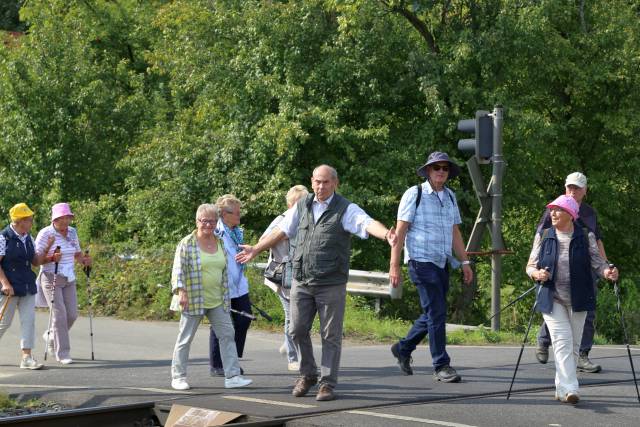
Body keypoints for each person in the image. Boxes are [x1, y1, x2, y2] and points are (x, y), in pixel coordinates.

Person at [236, 165, 396, 401]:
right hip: (301, 279)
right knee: (296, 329)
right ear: (311, 182)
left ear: (335, 183)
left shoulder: (345, 208)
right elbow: (281, 231)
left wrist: (385, 235)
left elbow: (365, 222)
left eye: (326, 182)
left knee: (330, 334)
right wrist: (256, 249)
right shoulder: (302, 205)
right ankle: (308, 373)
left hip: (331, 282)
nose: (321, 186)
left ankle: (327, 384)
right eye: (317, 182)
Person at [389, 151, 474, 383]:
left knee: (433, 312)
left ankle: (403, 348)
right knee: (436, 312)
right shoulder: (414, 194)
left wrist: (465, 262)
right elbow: (400, 231)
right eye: (436, 168)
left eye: (445, 168)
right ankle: (441, 365)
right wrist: (394, 265)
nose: (441, 172)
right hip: (420, 261)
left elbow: (454, 231)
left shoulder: (450, 197)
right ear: (428, 170)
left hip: (441, 262)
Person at [526, 195, 617, 404]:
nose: (553, 213)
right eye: (552, 210)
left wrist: (608, 271)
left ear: (570, 214)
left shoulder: (586, 236)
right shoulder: (545, 235)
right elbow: (530, 265)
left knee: (574, 345)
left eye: (558, 210)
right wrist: (536, 274)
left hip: (579, 298)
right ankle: (571, 389)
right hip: (552, 298)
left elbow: (598, 263)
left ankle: (561, 388)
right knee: (562, 341)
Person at [170, 203, 252, 390]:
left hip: (218, 299)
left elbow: (224, 271)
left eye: (213, 221)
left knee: (227, 336)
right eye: (204, 221)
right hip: (194, 299)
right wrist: (181, 291)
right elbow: (178, 271)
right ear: (197, 221)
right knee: (185, 338)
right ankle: (178, 377)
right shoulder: (187, 243)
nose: (208, 225)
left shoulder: (220, 242)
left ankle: (232, 376)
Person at [534, 172, 606, 373]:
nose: (572, 191)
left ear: (585, 190)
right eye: (570, 187)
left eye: (577, 188)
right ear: (565, 187)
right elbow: (541, 235)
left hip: (585, 267)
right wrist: (537, 269)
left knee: (587, 310)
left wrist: (605, 265)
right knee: (556, 305)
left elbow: (597, 240)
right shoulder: (555, 208)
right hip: (557, 268)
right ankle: (543, 340)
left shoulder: (590, 213)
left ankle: (583, 355)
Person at [0, 203, 58, 369]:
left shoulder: (28, 238)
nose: (31, 222)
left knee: (28, 322)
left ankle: (27, 357)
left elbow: (35, 261)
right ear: (19, 221)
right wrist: (5, 283)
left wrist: (49, 252)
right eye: (29, 220)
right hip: (9, 288)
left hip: (27, 285)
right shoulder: (4, 237)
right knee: (4, 323)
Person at [35, 203, 92, 365]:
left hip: (68, 277)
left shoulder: (72, 232)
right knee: (59, 315)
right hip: (51, 276)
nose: (66, 222)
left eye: (68, 218)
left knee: (72, 314)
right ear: (55, 219)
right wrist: (52, 258)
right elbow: (37, 260)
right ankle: (63, 352)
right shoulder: (45, 233)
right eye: (62, 218)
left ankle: (52, 336)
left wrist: (85, 261)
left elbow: (77, 254)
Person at [261, 185, 309, 372]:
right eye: (298, 203)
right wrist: (282, 238)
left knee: (302, 317)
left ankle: (287, 343)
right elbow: (264, 240)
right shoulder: (281, 220)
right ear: (290, 204)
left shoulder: (308, 219)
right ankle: (292, 356)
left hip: (302, 275)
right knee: (292, 317)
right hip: (283, 277)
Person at [209, 195, 253, 377]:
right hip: (223, 285)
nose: (239, 216)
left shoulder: (237, 231)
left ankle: (231, 358)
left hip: (239, 284)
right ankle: (217, 364)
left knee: (245, 319)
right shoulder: (216, 232)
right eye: (236, 213)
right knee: (220, 324)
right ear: (224, 214)